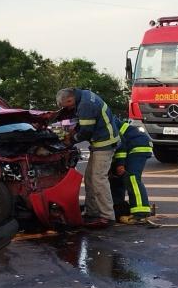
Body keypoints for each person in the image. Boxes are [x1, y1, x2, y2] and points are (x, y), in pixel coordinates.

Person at [56, 87, 119, 227]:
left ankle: (107, 216)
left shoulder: (85, 104)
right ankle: (92, 212)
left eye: (67, 106)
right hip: (101, 143)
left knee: (98, 180)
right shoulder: (84, 95)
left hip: (104, 144)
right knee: (90, 179)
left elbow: (85, 131)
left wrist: (70, 140)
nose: (68, 109)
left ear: (70, 99)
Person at [110, 116, 153, 224]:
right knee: (118, 178)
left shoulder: (105, 122)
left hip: (137, 144)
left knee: (132, 178)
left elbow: (121, 145)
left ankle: (140, 213)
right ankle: (119, 207)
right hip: (132, 143)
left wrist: (120, 164)